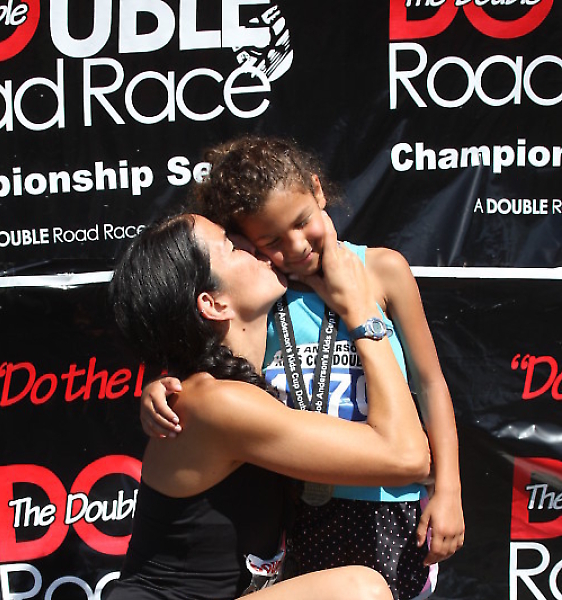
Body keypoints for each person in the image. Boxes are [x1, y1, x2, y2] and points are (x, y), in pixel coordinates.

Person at [141, 136, 464, 600]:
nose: (295, 247)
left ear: (317, 190)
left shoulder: (382, 270)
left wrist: (449, 490)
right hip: (301, 512)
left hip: (393, 506)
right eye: (270, 241)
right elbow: (208, 360)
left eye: (301, 221)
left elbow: (431, 384)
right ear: (248, 242)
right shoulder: (265, 293)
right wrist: (159, 386)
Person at [107, 211, 430, 600]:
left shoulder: (220, 390)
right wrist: (362, 312)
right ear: (213, 303)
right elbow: (407, 457)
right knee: (360, 592)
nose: (256, 246)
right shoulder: (216, 402)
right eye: (231, 245)